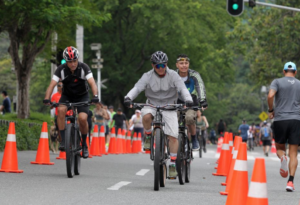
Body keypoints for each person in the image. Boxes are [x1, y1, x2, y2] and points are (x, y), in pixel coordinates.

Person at [124, 51, 193, 178]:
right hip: (152, 104)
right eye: (158, 66)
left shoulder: (173, 75)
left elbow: (182, 89)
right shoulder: (147, 76)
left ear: (166, 64)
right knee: (146, 116)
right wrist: (128, 97)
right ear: (153, 66)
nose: (161, 68)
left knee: (173, 136)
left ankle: (172, 163)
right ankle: (149, 135)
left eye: (163, 65)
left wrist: (188, 100)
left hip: (169, 106)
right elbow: (137, 88)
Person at [43, 46, 99, 159]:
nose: (73, 64)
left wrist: (95, 96)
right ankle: (63, 140)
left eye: (74, 61)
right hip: (67, 96)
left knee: (83, 118)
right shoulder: (61, 69)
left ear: (77, 59)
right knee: (61, 110)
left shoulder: (84, 68)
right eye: (70, 61)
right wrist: (47, 98)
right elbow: (51, 85)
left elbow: (92, 83)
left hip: (82, 96)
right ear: (66, 62)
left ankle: (84, 145)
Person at [268, 61, 300, 191]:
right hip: (296, 120)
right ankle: (290, 182)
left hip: (280, 119)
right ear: (295, 72)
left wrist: (271, 110)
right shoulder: (299, 84)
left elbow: (270, 95)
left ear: (284, 71)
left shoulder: (277, 82)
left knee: (280, 148)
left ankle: (282, 157)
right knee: (294, 153)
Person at [176, 54, 208, 151]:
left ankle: (194, 138)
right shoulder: (172, 75)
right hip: (176, 103)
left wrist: (203, 100)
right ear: (177, 65)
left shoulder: (194, 75)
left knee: (189, 118)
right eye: (181, 63)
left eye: (186, 63)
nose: (184, 65)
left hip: (191, 103)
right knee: (171, 120)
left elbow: (200, 87)